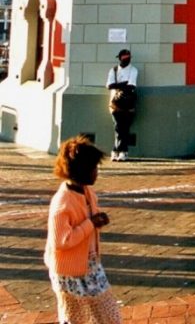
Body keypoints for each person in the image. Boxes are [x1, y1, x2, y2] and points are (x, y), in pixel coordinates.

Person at [44, 134, 121, 324]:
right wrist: (91, 224)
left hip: (90, 264)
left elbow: (88, 219)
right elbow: (61, 241)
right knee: (74, 317)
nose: (97, 172)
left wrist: (97, 220)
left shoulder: (87, 192)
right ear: (82, 170)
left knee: (109, 314)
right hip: (68, 271)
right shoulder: (62, 202)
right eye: (94, 168)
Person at [106, 49, 138, 162]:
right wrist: (124, 84)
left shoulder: (133, 70)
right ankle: (121, 151)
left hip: (128, 103)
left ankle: (118, 150)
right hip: (115, 103)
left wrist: (117, 85)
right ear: (119, 58)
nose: (126, 60)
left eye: (128, 58)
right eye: (124, 58)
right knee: (118, 126)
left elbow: (132, 86)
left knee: (124, 127)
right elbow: (109, 86)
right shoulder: (113, 70)